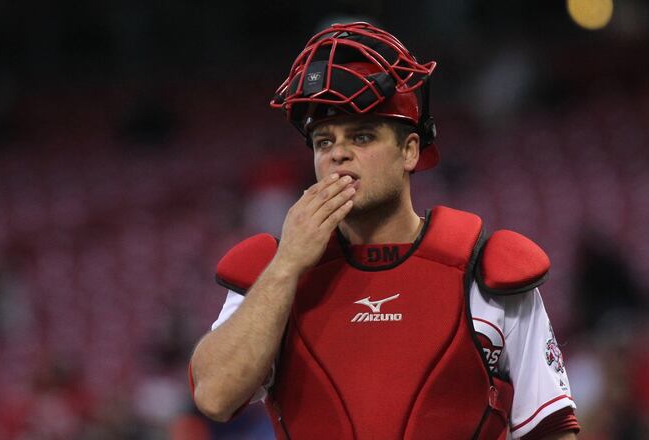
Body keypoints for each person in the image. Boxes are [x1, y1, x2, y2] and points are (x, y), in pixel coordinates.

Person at [189, 22, 580, 440]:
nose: (338, 153)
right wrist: (286, 265)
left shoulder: (487, 272)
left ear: (409, 151)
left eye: (362, 136)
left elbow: (551, 430)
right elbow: (215, 397)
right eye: (323, 142)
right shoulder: (275, 274)